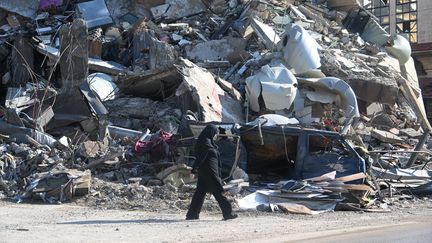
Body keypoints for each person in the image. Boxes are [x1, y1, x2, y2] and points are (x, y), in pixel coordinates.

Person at [186, 124, 238, 220]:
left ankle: (192, 214)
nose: (215, 135)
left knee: (200, 193)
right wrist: (194, 169)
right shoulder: (205, 143)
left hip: (206, 173)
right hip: (210, 173)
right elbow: (200, 158)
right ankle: (228, 213)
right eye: (214, 133)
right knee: (220, 192)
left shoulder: (209, 142)